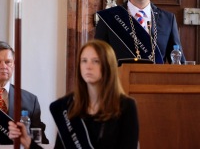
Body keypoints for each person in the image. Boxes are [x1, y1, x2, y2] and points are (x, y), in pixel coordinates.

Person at [9, 39, 139, 149]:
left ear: (108, 65)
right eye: (84, 60)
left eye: (96, 61)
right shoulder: (68, 106)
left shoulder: (126, 106)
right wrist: (28, 142)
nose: (88, 66)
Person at [95, 0, 185, 64]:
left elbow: (178, 62)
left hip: (156, 79)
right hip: (120, 79)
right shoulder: (109, 18)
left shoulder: (168, 20)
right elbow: (98, 59)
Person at [0, 41, 49, 144]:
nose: (3, 66)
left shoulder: (31, 101)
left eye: (8, 62)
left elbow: (41, 141)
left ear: (13, 65)